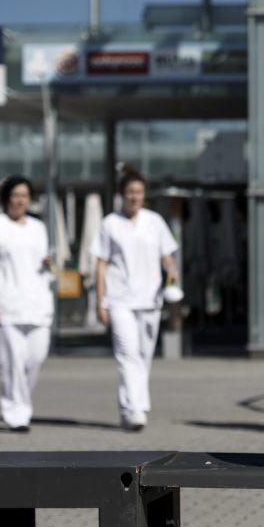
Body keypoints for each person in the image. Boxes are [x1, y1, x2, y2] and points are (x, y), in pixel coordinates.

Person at [89, 166, 178, 431]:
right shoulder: (109, 224)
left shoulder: (155, 221)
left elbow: (168, 257)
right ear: (121, 195)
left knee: (144, 355)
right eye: (130, 192)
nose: (134, 197)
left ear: (144, 195)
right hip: (119, 299)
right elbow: (101, 264)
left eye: (139, 192)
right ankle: (133, 410)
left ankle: (134, 405)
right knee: (127, 353)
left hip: (150, 299)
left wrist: (171, 274)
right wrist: (99, 301)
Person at [0, 174, 54, 431]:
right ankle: (17, 415)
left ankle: (20, 402)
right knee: (12, 361)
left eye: (24, 196)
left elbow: (41, 262)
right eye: (15, 196)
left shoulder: (38, 228)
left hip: (38, 305)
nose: (20, 201)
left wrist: (47, 263)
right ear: (6, 199)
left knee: (36, 357)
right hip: (6, 306)